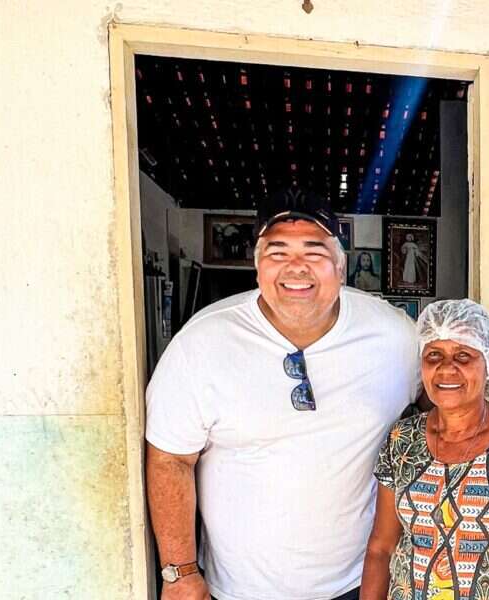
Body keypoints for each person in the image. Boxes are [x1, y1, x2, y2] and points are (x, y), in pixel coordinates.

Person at [145, 187, 420, 600]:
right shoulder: (202, 342)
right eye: (277, 253)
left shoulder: (395, 337)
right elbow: (169, 460)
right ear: (257, 267)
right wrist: (181, 572)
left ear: (341, 268)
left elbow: (440, 415)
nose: (296, 267)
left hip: (359, 584)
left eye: (315, 251)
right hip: (238, 591)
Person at [362, 299, 489, 600]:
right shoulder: (402, 439)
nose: (447, 368)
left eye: (463, 355)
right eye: (434, 354)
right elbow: (382, 547)